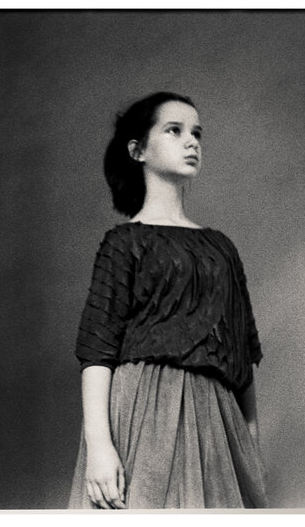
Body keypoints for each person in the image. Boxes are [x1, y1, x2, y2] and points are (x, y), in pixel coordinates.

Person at [68, 92, 267, 509]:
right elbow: (97, 353)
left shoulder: (221, 248)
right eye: (174, 131)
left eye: (197, 133)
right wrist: (100, 447)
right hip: (143, 413)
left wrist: (250, 446)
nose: (191, 141)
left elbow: (242, 355)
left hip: (214, 418)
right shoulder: (123, 243)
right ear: (137, 150)